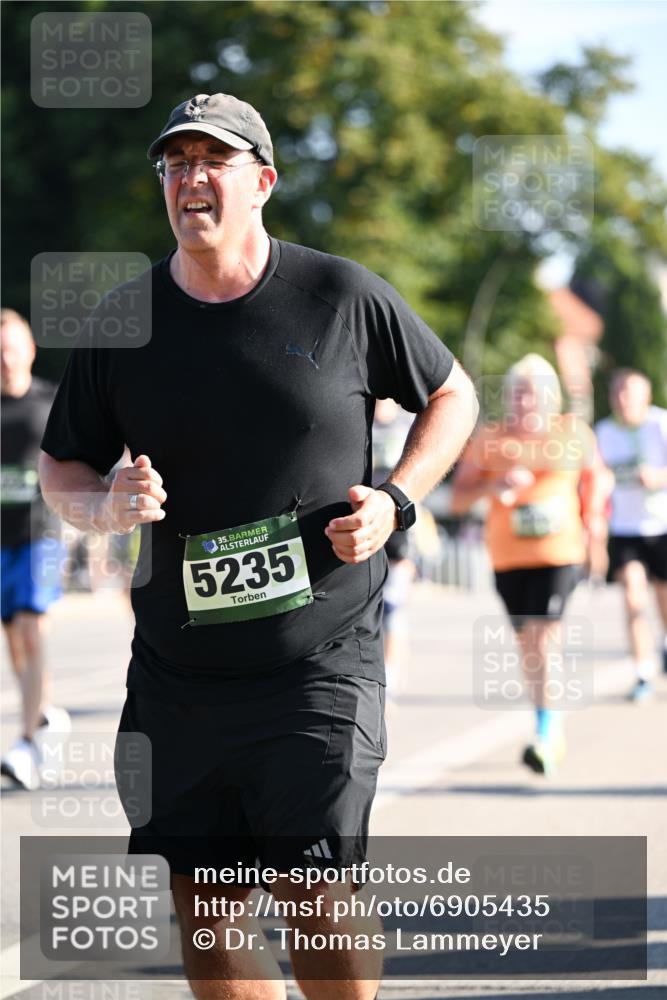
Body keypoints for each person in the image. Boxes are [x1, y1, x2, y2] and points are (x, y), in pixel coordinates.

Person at [39, 92, 478, 1000]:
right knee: (208, 917)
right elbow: (62, 465)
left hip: (319, 659)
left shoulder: (340, 296)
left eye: (213, 161)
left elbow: (452, 394)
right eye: (175, 163)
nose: (190, 178)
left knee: (317, 892)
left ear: (263, 181)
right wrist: (104, 506)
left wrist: (397, 501)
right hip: (179, 673)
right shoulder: (124, 321)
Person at [451, 354, 608, 776]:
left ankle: (546, 735)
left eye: (533, 394)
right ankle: (547, 716)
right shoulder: (490, 440)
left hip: (560, 553)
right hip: (508, 559)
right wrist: (493, 485)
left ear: (550, 398)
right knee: (528, 646)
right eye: (517, 394)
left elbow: (597, 478)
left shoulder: (572, 433)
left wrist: (595, 522)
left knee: (543, 638)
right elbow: (458, 499)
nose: (524, 402)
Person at [1, 309, 70, 790]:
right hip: (1, 541)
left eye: (11, 349)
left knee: (31, 626)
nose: (5, 360)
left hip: (42, 536)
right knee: (14, 639)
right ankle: (43, 715)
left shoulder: (52, 401)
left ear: (30, 350)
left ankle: (26, 744)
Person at [595, 369, 667, 702]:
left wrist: (658, 477)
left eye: (630, 392)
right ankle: (642, 672)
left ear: (646, 396)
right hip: (625, 529)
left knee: (663, 599)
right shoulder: (604, 432)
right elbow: (596, 478)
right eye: (618, 392)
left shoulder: (660, 424)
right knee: (632, 596)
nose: (624, 399)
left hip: (661, 526)